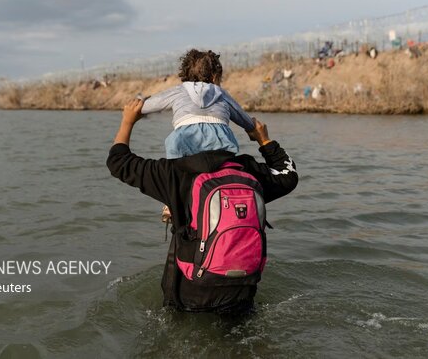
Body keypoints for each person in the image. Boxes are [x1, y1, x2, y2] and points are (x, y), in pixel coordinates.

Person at [106, 98, 298, 313]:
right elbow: (288, 175)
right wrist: (265, 141)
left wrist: (128, 122)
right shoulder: (247, 168)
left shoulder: (172, 172)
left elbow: (118, 162)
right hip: (241, 289)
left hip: (189, 290)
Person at [141, 49, 255, 159]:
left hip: (183, 140)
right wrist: (251, 128)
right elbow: (244, 120)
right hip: (220, 141)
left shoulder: (178, 90)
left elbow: (146, 106)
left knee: (178, 168)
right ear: (215, 76)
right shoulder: (221, 93)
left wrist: (139, 104)